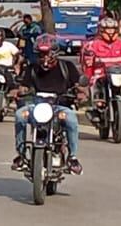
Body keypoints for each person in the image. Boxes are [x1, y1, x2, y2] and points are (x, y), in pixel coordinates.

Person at [12, 35, 85, 174]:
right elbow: (24, 86)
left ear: (55, 52)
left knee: (71, 119)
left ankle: (72, 157)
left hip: (59, 106)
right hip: (37, 106)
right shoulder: (32, 68)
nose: (44, 57)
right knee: (20, 115)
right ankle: (21, 154)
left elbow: (78, 85)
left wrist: (81, 92)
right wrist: (19, 92)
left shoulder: (66, 67)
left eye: (47, 53)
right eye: (41, 54)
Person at [80, 14, 121, 124]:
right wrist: (88, 73)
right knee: (95, 86)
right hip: (101, 74)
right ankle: (96, 110)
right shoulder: (93, 45)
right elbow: (88, 62)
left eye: (113, 29)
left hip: (119, 73)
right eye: (108, 29)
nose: (111, 32)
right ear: (101, 30)